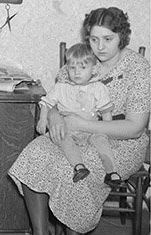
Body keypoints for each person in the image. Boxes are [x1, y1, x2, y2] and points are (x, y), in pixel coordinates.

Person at [8, 7, 150, 235]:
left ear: (122, 37)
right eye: (94, 39)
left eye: (108, 39)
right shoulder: (80, 59)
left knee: (73, 169)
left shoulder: (138, 69)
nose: (100, 47)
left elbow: (135, 128)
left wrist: (82, 123)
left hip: (120, 142)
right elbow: (56, 98)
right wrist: (52, 116)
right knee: (34, 154)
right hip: (72, 133)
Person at [41, 42, 116, 183]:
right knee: (63, 139)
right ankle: (79, 166)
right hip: (69, 131)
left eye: (82, 67)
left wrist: (109, 132)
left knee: (101, 141)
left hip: (91, 130)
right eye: (72, 67)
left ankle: (111, 172)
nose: (76, 72)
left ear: (93, 69)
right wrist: (42, 119)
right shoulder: (61, 87)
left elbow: (106, 113)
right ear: (66, 68)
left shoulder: (98, 88)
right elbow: (46, 103)